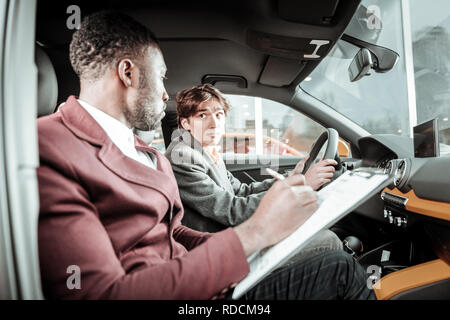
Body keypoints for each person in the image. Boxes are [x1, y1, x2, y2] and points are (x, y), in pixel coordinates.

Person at [37, 11, 375, 300]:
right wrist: (254, 234)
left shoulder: (141, 150)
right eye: (162, 76)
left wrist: (244, 247)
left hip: (203, 277)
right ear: (128, 73)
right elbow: (104, 294)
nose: (166, 92)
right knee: (339, 270)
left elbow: (172, 233)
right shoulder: (51, 145)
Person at [165, 84, 341, 261]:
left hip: (238, 233)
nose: (214, 123)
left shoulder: (204, 149)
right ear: (186, 123)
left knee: (316, 231)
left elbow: (241, 191)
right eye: (203, 115)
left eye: (219, 115)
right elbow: (232, 211)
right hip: (223, 248)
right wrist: (301, 186)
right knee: (329, 241)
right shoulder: (184, 156)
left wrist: (293, 179)